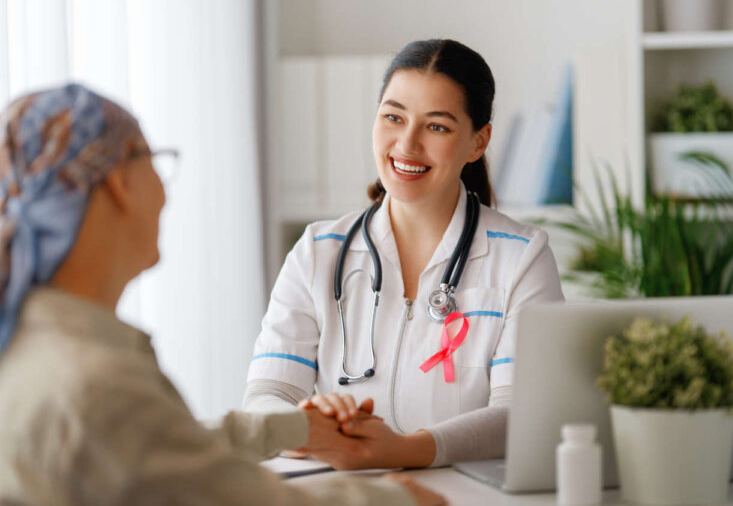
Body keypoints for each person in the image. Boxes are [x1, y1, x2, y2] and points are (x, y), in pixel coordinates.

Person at [0, 84, 445, 506]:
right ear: (119, 180)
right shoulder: (95, 382)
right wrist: (399, 499)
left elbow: (149, 451)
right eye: (154, 160)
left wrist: (292, 427)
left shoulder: (28, 344)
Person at [244, 39, 565, 469]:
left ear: (478, 142)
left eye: (437, 127)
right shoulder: (317, 253)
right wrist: (303, 426)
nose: (407, 144)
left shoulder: (522, 258)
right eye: (393, 117)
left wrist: (405, 450)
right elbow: (268, 395)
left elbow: (520, 413)